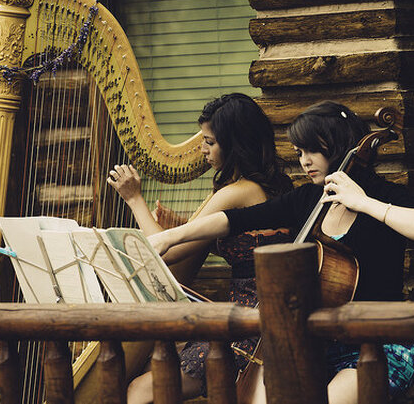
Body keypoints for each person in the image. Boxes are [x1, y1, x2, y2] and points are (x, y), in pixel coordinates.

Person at [148, 101, 414, 404]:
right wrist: (171, 237)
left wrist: (363, 202)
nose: (304, 161)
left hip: (378, 346)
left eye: (312, 150)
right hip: (316, 347)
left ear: (337, 144)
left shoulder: (384, 195)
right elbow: (234, 220)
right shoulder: (308, 198)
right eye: (299, 152)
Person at [107, 93, 292, 403]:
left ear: (234, 145)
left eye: (210, 142)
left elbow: (167, 253)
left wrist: (133, 199)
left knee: (141, 391)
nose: (202, 149)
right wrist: (180, 223)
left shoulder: (237, 191)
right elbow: (249, 246)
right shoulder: (273, 186)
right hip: (252, 324)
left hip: (252, 334)